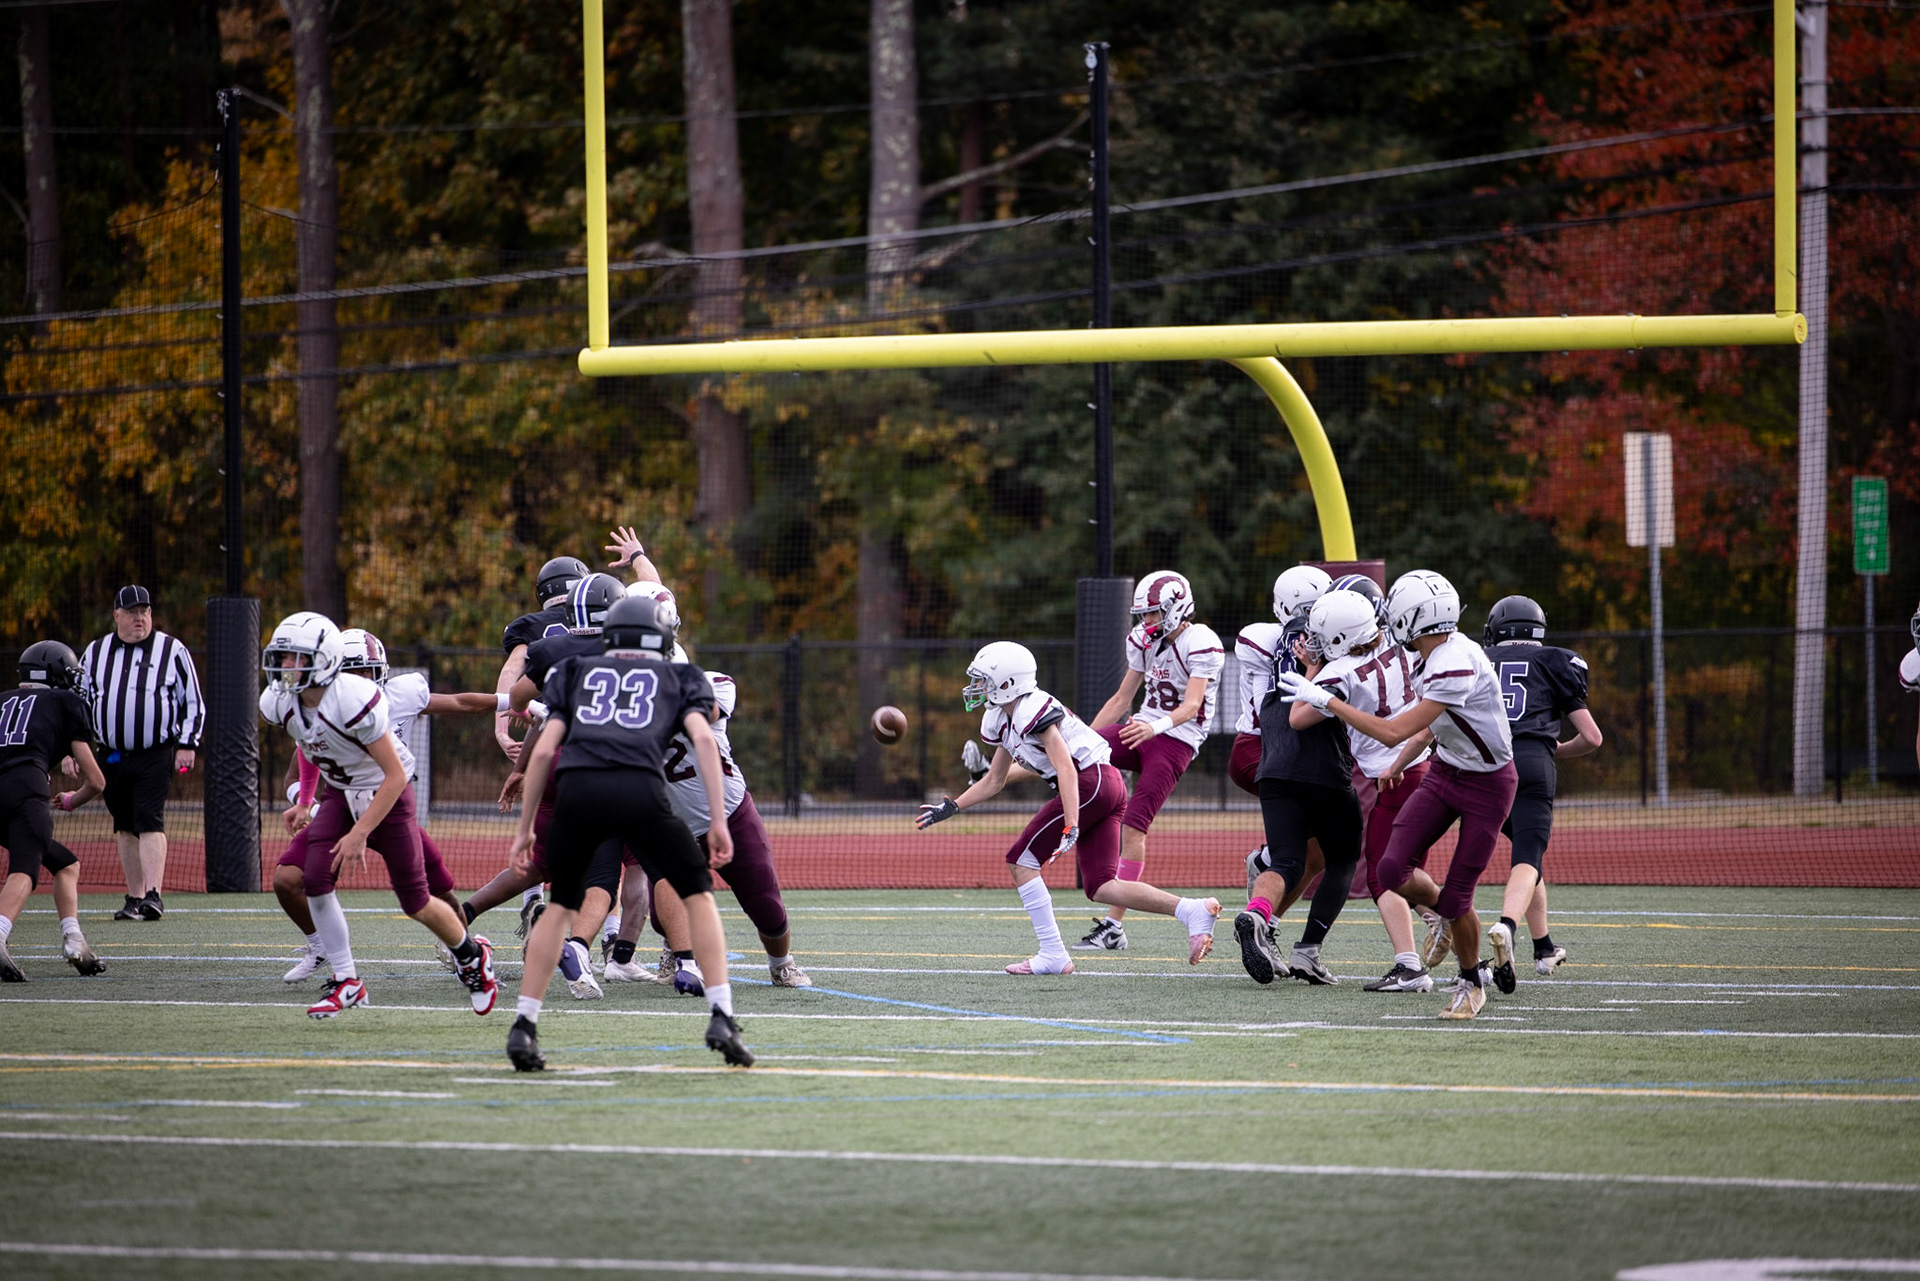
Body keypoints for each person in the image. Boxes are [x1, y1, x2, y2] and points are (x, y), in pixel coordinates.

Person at [503, 594, 753, 1071]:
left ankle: (524, 1026)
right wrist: (719, 820)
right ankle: (721, 1016)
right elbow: (703, 739)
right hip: (639, 791)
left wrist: (524, 829)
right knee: (698, 895)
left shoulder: (574, 672)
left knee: (559, 908)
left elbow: (541, 752)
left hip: (579, 793)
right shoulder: (678, 676)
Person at [1281, 570, 1517, 1019]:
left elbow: (1392, 730)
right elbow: (1432, 725)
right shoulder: (1429, 655)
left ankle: (1471, 980)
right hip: (1445, 771)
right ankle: (1452, 922)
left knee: (1456, 898)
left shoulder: (1455, 661)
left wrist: (1328, 699)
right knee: (1389, 868)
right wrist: (1395, 765)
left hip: (1488, 784)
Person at [915, 641, 1221, 975]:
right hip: (1104, 785)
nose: (976, 688)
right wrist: (954, 805)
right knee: (1102, 886)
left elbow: (1066, 769)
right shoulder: (1000, 718)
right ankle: (1191, 910)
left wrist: (1071, 823)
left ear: (1007, 683)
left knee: (1021, 861)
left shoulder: (1033, 708)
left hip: (1092, 783)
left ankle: (1052, 953)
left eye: (983, 680)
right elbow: (994, 780)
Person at [260, 611, 498, 1019]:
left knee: (416, 901)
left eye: (295, 659)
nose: (284, 668)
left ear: (325, 660)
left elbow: (395, 775)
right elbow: (311, 744)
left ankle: (472, 957)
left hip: (387, 795)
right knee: (314, 878)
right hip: (341, 793)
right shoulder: (281, 701)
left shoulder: (353, 699)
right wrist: (305, 800)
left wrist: (360, 833)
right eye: (283, 658)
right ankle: (347, 980)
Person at [1074, 571, 1224, 951]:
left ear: (1176, 609)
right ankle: (999, 773)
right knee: (1075, 754)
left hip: (1176, 739)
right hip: (1144, 728)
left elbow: (1192, 707)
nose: (1148, 622)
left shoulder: (1201, 641)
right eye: (1145, 615)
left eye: (1155, 614)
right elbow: (1122, 699)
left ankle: (1113, 926)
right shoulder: (1143, 641)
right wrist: (1083, 740)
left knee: (1134, 827)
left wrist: (1153, 728)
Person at [1231, 597, 1365, 986]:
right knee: (1341, 861)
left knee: (1287, 862)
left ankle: (1257, 914)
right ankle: (1308, 951)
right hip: (1324, 771)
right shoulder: (1332, 656)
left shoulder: (1271, 656)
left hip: (1272, 769)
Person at [1319, 574, 1436, 995]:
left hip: (1397, 773)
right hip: (1423, 764)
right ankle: (1442, 923)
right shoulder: (1405, 647)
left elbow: (1299, 716)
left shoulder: (1343, 669)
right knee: (1401, 870)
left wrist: (1316, 676)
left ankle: (1416, 959)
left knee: (1383, 874)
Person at [1482, 595, 1605, 991]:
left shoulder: (1476, 657)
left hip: (1481, 763)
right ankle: (1506, 927)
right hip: (1531, 760)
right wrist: (1556, 750)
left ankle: (1544, 946)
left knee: (1525, 858)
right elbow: (1592, 737)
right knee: (1528, 856)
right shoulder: (1556, 661)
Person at [77, 585, 204, 922]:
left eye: (145, 611)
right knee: (124, 824)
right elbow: (79, 704)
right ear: (116, 615)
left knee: (149, 817)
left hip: (155, 751)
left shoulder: (171, 649)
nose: (140, 618)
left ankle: (153, 894)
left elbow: (192, 700)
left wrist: (188, 743)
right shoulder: (96, 651)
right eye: (132, 612)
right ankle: (134, 898)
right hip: (112, 754)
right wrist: (71, 749)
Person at [491, 554, 592, 935]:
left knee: (538, 826)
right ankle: (612, 937)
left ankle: (532, 896)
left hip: (543, 735)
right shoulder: (600, 624)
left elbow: (511, 673)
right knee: (610, 846)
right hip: (598, 744)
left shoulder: (531, 627)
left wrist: (502, 730)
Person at [0, 642, 107, 981]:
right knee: (25, 869)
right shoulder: (65, 701)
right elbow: (97, 781)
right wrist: (75, 799)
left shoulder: (3, 700)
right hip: (25, 788)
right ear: (57, 675)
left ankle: (74, 939)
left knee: (66, 863)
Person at [1235, 566, 1330, 906]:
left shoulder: (1321, 643)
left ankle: (1266, 921)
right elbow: (1271, 715)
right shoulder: (1267, 639)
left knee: (1317, 854)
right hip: (1259, 748)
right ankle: (1265, 862)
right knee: (1319, 837)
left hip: (1290, 750)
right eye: (1311, 611)